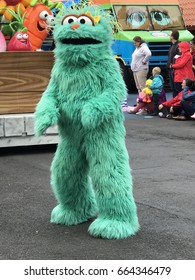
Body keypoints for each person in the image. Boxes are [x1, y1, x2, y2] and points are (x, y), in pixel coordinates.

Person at [167, 30, 180, 97]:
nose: (169, 36)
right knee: (173, 88)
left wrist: (173, 65)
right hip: (171, 69)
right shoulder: (172, 46)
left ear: (172, 36)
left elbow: (178, 57)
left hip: (174, 69)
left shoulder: (178, 46)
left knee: (176, 88)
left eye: (170, 35)